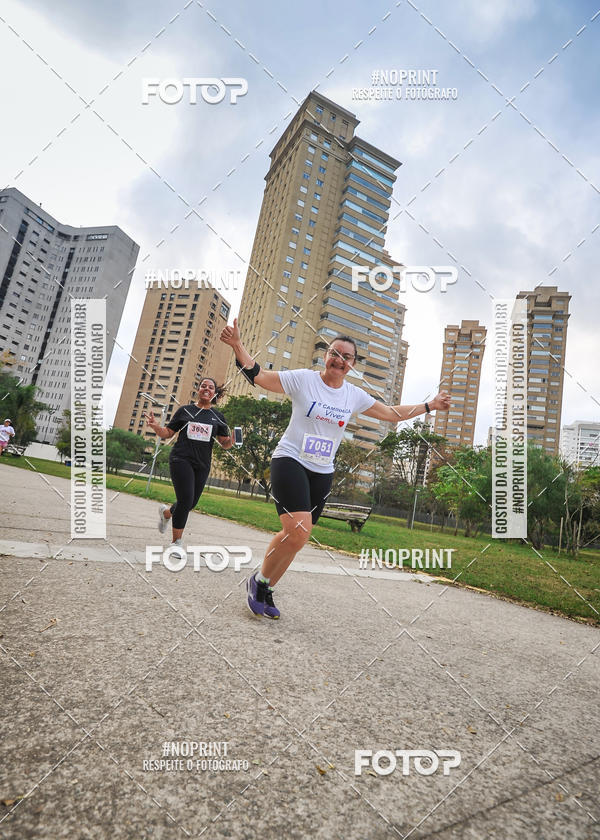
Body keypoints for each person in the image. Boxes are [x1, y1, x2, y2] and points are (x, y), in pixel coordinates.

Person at [220, 318, 451, 620]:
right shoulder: (304, 379)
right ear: (325, 355)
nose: (339, 360)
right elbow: (260, 376)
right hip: (290, 460)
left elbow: (392, 415)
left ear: (353, 364)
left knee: (299, 539)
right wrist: (237, 344)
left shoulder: (353, 395)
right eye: (334, 353)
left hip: (322, 471)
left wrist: (430, 405)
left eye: (346, 357)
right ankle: (258, 580)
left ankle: (265, 587)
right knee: (298, 530)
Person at [143, 378, 234, 551]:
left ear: (214, 393)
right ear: (198, 389)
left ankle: (166, 513)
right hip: (181, 459)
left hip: (202, 464)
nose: (206, 389)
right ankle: (176, 543)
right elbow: (168, 433)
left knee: (190, 503)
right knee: (185, 501)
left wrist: (233, 440)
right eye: (203, 386)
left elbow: (224, 443)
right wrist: (155, 427)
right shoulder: (185, 411)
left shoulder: (218, 417)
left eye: (211, 387)